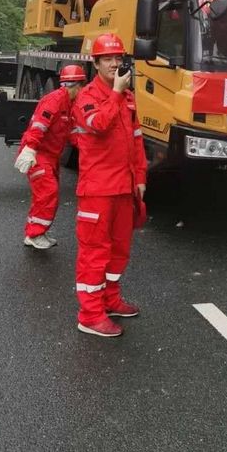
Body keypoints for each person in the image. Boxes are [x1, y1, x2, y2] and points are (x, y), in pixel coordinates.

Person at [72, 33, 147, 338]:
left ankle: (110, 300)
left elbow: (137, 141)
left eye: (118, 58)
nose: (115, 63)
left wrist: (140, 179)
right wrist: (116, 93)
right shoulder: (87, 97)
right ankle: (89, 315)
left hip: (124, 187)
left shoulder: (129, 99)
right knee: (94, 253)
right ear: (96, 62)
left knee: (119, 250)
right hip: (98, 190)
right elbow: (98, 126)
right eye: (107, 59)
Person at [14, 65, 87, 249]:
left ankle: (35, 232)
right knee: (47, 194)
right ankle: (34, 234)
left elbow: (71, 132)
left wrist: (89, 147)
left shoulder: (69, 104)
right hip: (38, 154)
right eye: (82, 86)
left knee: (44, 196)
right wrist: (30, 149)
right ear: (77, 86)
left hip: (50, 156)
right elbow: (38, 127)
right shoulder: (54, 101)